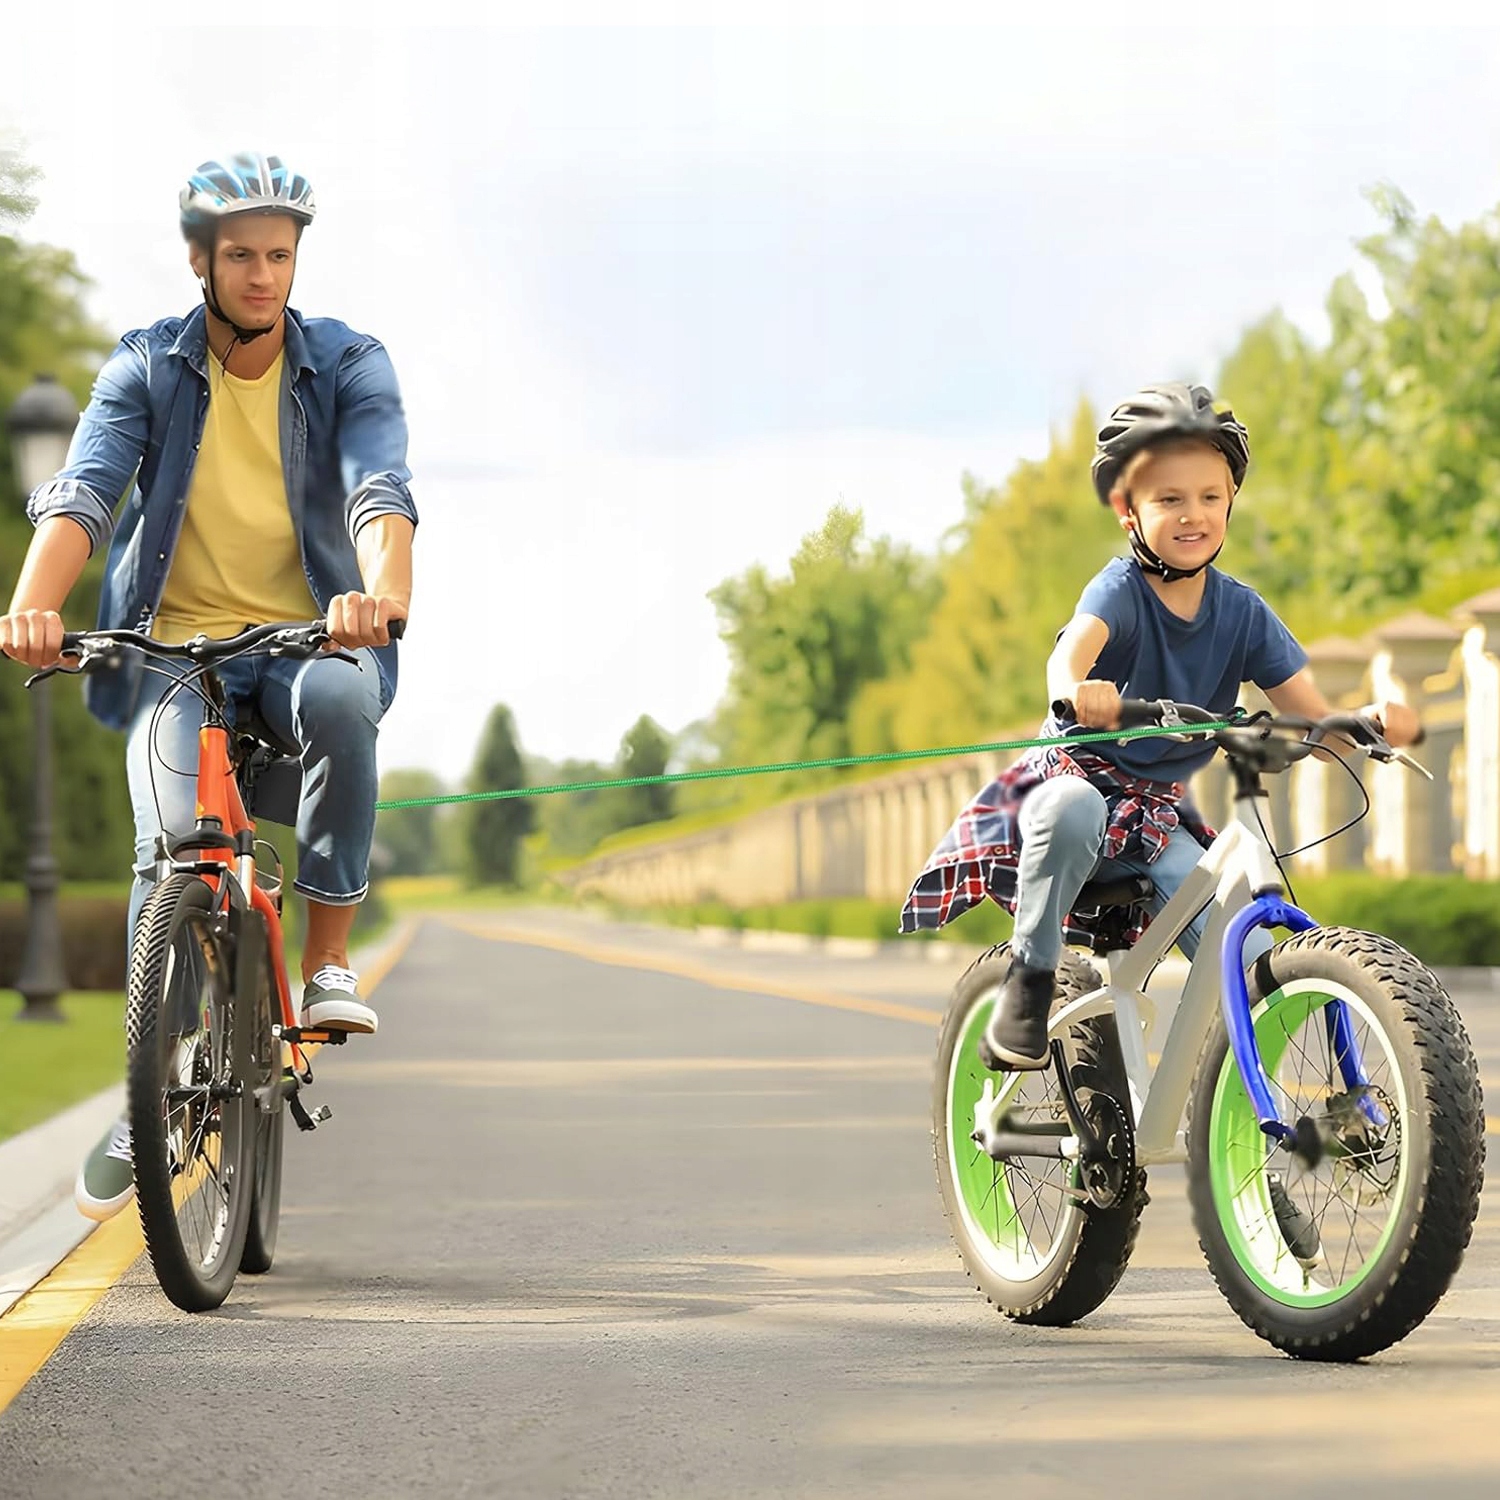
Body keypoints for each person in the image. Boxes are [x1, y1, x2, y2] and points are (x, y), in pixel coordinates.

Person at [0, 152, 418, 1219]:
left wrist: (381, 596)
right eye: (241, 255)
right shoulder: (146, 366)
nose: (263, 275)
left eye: (280, 255)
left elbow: (381, 489)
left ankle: (327, 964)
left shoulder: (350, 363)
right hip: (171, 653)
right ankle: (147, 1093)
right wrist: (33, 606)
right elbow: (83, 496)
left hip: (304, 643)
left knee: (340, 702)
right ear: (201, 260)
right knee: (172, 842)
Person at [900, 382, 1420, 1071]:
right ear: (1129, 513)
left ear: (1231, 500)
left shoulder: (1242, 613)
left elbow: (1309, 719)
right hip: (1070, 800)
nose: (1192, 515)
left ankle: (1233, 1110)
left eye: (1210, 496)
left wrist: (1362, 724)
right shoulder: (1119, 591)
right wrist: (1074, 694)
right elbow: (1071, 653)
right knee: (1077, 804)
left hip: (1151, 824)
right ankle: (1028, 983)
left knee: (1246, 956)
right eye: (1169, 500)